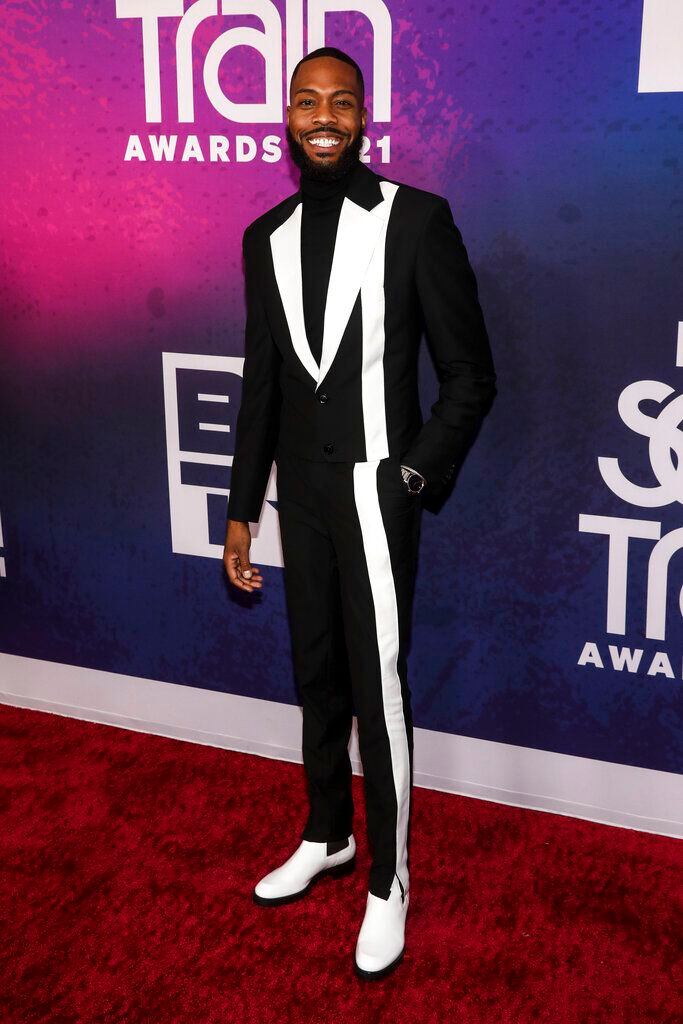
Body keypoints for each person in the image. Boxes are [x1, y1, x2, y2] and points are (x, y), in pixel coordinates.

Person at [223, 45, 497, 980]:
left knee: (377, 691)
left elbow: (469, 376)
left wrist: (409, 478)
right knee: (316, 675)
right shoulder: (263, 235)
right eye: (308, 101)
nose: (324, 115)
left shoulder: (418, 222)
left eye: (341, 101)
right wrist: (239, 510)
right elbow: (262, 384)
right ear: (287, 120)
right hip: (295, 498)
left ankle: (391, 880)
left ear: (364, 116)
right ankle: (327, 835)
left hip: (378, 499)